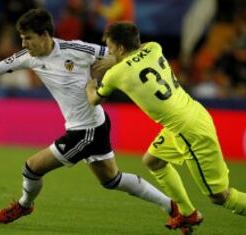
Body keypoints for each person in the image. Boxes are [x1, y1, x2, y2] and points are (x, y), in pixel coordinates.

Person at [0, 8, 180, 230]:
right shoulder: (29, 57)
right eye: (22, 38)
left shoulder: (76, 50)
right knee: (111, 180)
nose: (24, 44)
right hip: (92, 124)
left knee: (31, 167)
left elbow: (124, 54)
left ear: (45, 36)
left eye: (28, 38)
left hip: (87, 129)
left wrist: (111, 62)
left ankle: (24, 206)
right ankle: (173, 207)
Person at [86, 21, 246, 233]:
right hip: (190, 114)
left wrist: (89, 84)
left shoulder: (115, 74)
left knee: (219, 195)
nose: (109, 51)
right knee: (153, 161)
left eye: (111, 46)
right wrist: (117, 60)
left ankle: (191, 213)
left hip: (187, 129)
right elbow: (137, 52)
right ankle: (188, 214)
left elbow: (94, 100)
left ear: (121, 48)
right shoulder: (154, 47)